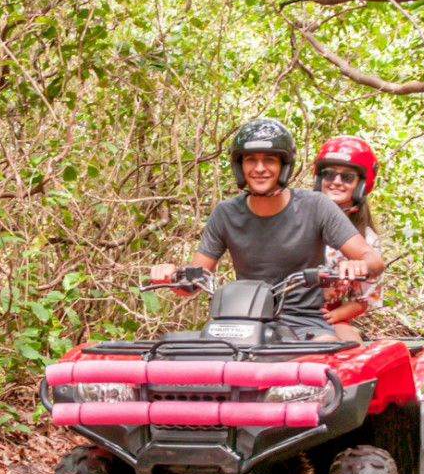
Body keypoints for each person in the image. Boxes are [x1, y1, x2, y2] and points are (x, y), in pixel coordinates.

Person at [150, 118, 384, 341]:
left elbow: (373, 261)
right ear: (240, 166)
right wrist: (171, 275)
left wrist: (360, 263)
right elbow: (194, 281)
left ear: (284, 165)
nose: (259, 168)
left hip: (305, 323)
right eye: (251, 160)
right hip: (242, 322)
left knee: (326, 366)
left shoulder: (316, 206)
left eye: (269, 160)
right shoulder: (225, 213)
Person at [313, 135, 385, 342]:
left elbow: (364, 298)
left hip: (328, 317)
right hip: (284, 311)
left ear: (361, 183)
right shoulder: (296, 217)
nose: (336, 182)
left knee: (348, 349)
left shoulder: (366, 240)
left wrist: (333, 316)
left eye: (347, 177)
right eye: (329, 175)